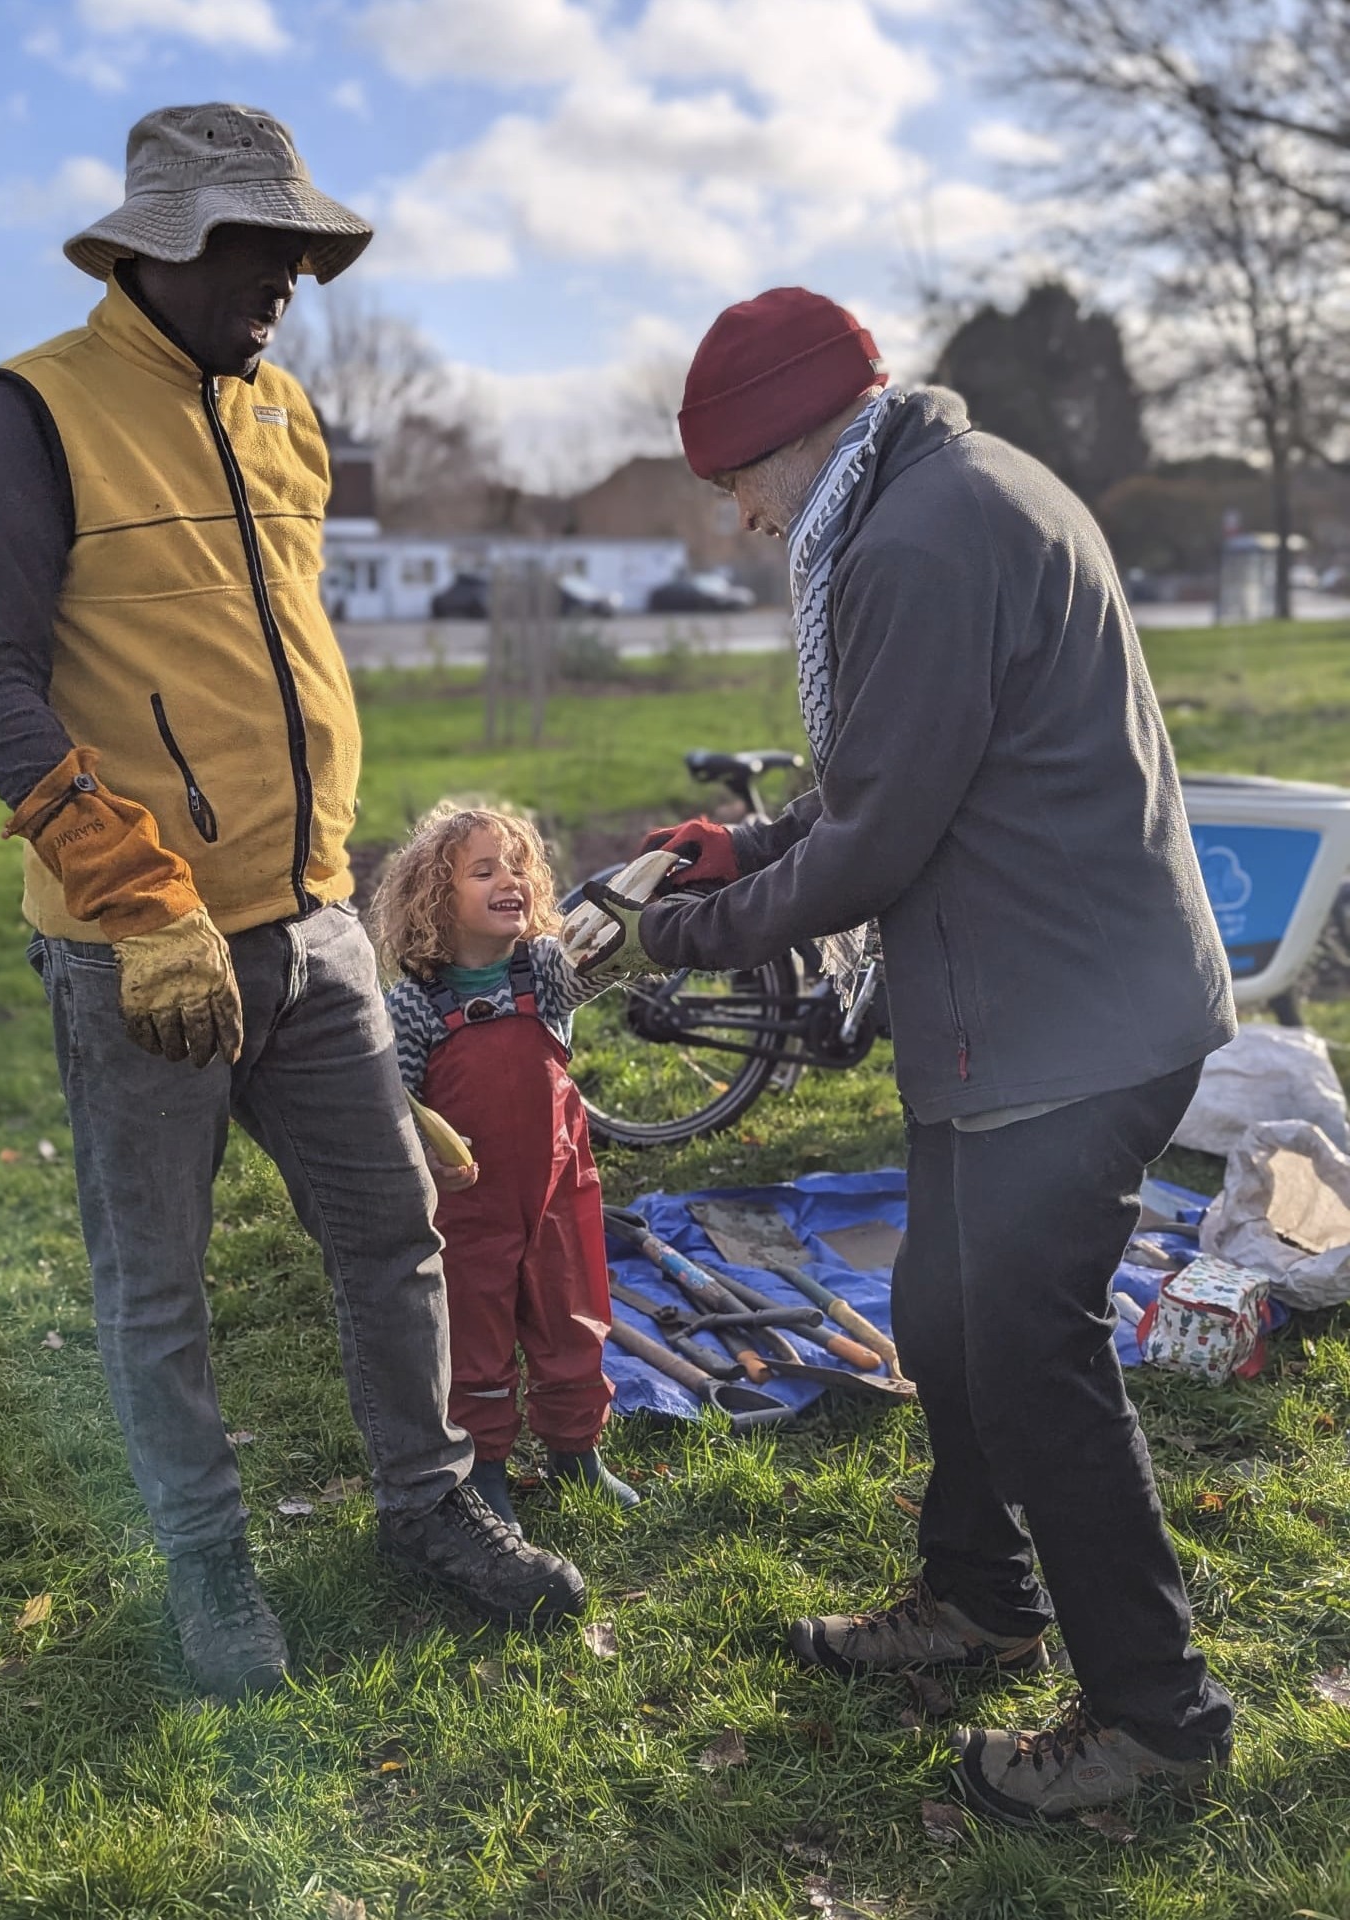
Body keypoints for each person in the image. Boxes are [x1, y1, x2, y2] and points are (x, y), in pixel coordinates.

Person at [0, 103, 584, 1701]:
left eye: (299, 245)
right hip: (139, 951)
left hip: (317, 932)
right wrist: (136, 893)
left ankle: (430, 1503)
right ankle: (207, 1565)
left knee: (395, 1230)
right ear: (157, 247)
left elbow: (278, 662)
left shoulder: (284, 410)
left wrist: (335, 897)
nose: (287, 275)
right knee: (160, 1287)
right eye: (252, 242)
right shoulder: (30, 413)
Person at [608, 288, 1237, 1824]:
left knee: (1029, 1354)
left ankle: (1155, 1717)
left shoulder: (917, 542)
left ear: (797, 439)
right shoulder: (946, 492)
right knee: (942, 1314)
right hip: (1033, 1005)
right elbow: (895, 772)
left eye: (740, 482)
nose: (745, 519)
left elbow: (879, 841)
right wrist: (744, 846)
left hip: (1068, 1026)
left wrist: (686, 932)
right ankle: (978, 1598)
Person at [373, 803, 639, 1532]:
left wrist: (636, 931)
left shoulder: (544, 971)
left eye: (518, 867)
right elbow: (399, 1105)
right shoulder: (414, 1006)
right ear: (436, 900)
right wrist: (427, 1153)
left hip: (558, 1189)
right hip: (469, 1206)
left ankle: (576, 1452)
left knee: (572, 1315)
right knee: (475, 1332)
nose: (509, 881)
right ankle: (485, 1467)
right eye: (484, 871)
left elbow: (600, 966)